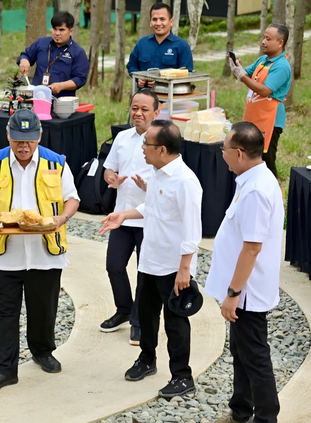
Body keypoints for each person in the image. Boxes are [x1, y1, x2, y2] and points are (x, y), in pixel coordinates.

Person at [0, 109, 80, 392]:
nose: (24, 146)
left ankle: (42, 351)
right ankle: (6, 368)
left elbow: (72, 198)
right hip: (6, 252)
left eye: (30, 140)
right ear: (8, 135)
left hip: (46, 252)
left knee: (43, 308)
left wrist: (61, 218)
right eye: (18, 140)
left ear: (39, 136)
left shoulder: (56, 163)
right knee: (6, 310)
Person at [99, 120, 202, 398]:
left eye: (147, 144)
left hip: (173, 266)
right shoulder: (156, 172)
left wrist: (185, 269)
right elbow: (152, 207)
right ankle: (147, 360)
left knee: (175, 323)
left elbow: (193, 230)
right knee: (146, 315)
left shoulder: (186, 181)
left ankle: (182, 377)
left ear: (164, 149)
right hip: (150, 260)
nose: (142, 147)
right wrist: (124, 214)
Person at [205, 122, 283, 423]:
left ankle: (266, 417)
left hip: (246, 292)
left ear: (238, 153)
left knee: (255, 357)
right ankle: (241, 410)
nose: (221, 153)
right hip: (242, 291)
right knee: (241, 353)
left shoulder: (256, 191)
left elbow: (252, 248)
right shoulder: (250, 179)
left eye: (223, 149)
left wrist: (233, 294)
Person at [100, 89, 160, 346]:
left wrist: (151, 189)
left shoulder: (162, 139)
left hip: (149, 218)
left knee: (144, 273)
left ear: (156, 113)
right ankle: (124, 309)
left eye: (144, 109)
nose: (138, 113)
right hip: (122, 216)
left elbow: (172, 179)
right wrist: (111, 177)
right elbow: (108, 169)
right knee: (114, 265)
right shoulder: (122, 138)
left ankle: (139, 321)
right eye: (135, 107)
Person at [228, 23, 291, 178]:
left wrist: (241, 75)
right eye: (263, 37)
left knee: (266, 161)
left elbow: (264, 90)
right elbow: (247, 75)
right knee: (249, 158)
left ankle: (273, 197)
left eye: (268, 39)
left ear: (280, 43)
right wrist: (237, 67)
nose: (263, 41)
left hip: (270, 120)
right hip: (254, 116)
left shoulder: (282, 66)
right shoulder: (263, 60)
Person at [17, 11, 89, 97]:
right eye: (54, 29)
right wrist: (24, 60)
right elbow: (26, 55)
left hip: (61, 101)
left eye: (61, 30)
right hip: (36, 99)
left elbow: (80, 79)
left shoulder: (78, 52)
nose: (57, 33)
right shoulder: (41, 43)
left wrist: (61, 86)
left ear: (71, 31)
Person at [127, 2, 193, 89]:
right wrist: (138, 77)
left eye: (162, 19)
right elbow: (132, 65)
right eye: (154, 19)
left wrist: (161, 81)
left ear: (171, 21)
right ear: (150, 22)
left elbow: (187, 74)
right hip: (145, 97)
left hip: (170, 98)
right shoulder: (142, 44)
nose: (158, 23)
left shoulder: (182, 46)